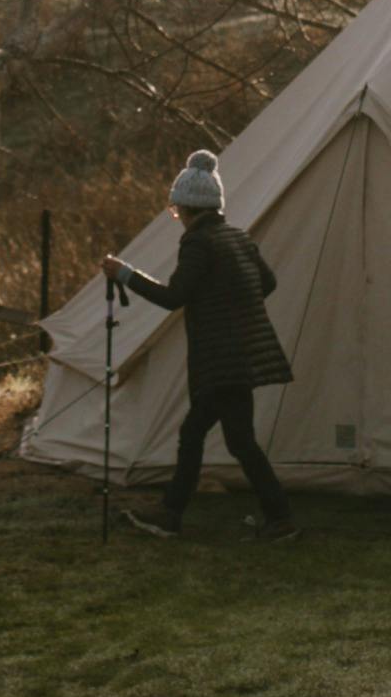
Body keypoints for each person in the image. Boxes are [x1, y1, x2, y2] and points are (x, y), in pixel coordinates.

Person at [104, 149, 296, 540]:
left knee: (224, 440)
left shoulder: (199, 242)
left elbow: (174, 296)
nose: (176, 217)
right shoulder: (236, 237)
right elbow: (267, 283)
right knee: (214, 437)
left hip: (221, 360)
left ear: (188, 208)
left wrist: (125, 275)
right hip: (241, 355)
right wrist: (230, 304)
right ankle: (181, 513)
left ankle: (269, 519)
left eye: (176, 210)